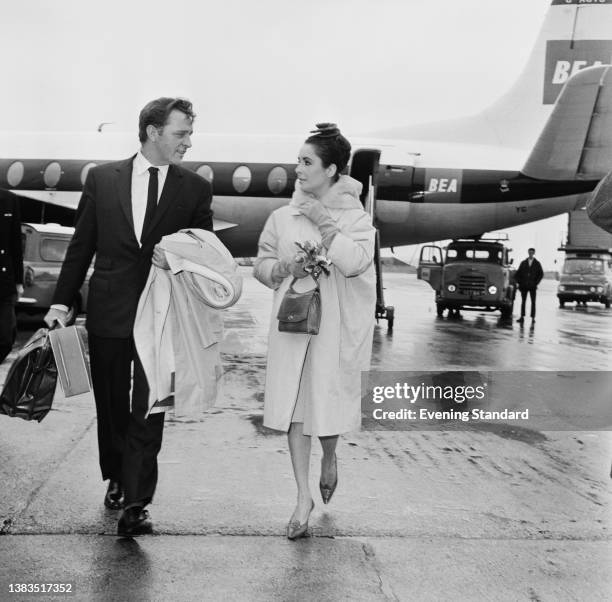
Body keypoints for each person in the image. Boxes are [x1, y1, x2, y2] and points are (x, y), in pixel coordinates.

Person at [44, 97, 213, 537]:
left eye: (190, 134)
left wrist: (180, 258)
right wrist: (62, 303)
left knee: (150, 405)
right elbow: (82, 245)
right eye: (181, 134)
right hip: (110, 309)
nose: (188, 143)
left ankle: (137, 500)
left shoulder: (195, 189)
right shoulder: (103, 179)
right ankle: (117, 474)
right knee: (114, 404)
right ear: (153, 132)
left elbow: (205, 252)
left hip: (162, 313)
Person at [253, 123, 376, 539]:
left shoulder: (357, 219)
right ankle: (302, 497)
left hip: (332, 332)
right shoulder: (282, 216)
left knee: (325, 408)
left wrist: (326, 225)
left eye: (307, 162)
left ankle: (329, 457)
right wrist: (287, 268)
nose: (298, 170)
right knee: (294, 411)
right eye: (298, 161)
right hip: (291, 328)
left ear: (332, 170)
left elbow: (358, 262)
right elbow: (262, 264)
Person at [0, 190, 24, 364]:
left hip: (4, 281)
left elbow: (16, 243)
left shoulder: (9, 199)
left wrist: (19, 281)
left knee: (5, 338)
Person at [514, 247, 543, 323]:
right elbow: (517, 274)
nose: (530, 254)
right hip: (524, 286)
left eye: (532, 252)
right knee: (523, 302)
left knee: (533, 302)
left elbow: (541, 274)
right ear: (528, 253)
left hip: (532, 286)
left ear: (534, 253)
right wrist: (520, 283)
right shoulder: (523, 263)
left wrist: (536, 283)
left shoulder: (537, 264)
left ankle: (533, 318)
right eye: (529, 252)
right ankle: (522, 317)